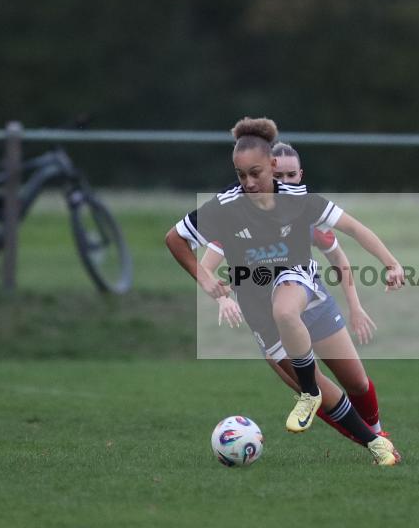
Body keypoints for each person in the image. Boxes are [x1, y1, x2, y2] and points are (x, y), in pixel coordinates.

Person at [165, 117, 403, 466]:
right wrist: (208, 283)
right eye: (241, 174)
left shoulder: (299, 200)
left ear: (272, 166)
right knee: (326, 390)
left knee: (297, 319)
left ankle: (311, 394)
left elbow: (354, 228)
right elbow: (175, 239)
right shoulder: (225, 207)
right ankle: (376, 443)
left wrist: (391, 262)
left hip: (299, 285)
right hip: (257, 310)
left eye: (256, 173)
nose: (248, 182)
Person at [212, 141, 386, 445]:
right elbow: (209, 263)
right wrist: (223, 295)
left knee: (356, 381)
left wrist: (355, 308)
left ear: (300, 175)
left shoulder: (307, 213)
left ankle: (376, 433)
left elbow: (340, 260)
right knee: (311, 389)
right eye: (280, 176)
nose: (286, 182)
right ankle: (375, 443)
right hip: (269, 320)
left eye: (292, 175)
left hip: (313, 306)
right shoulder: (240, 215)